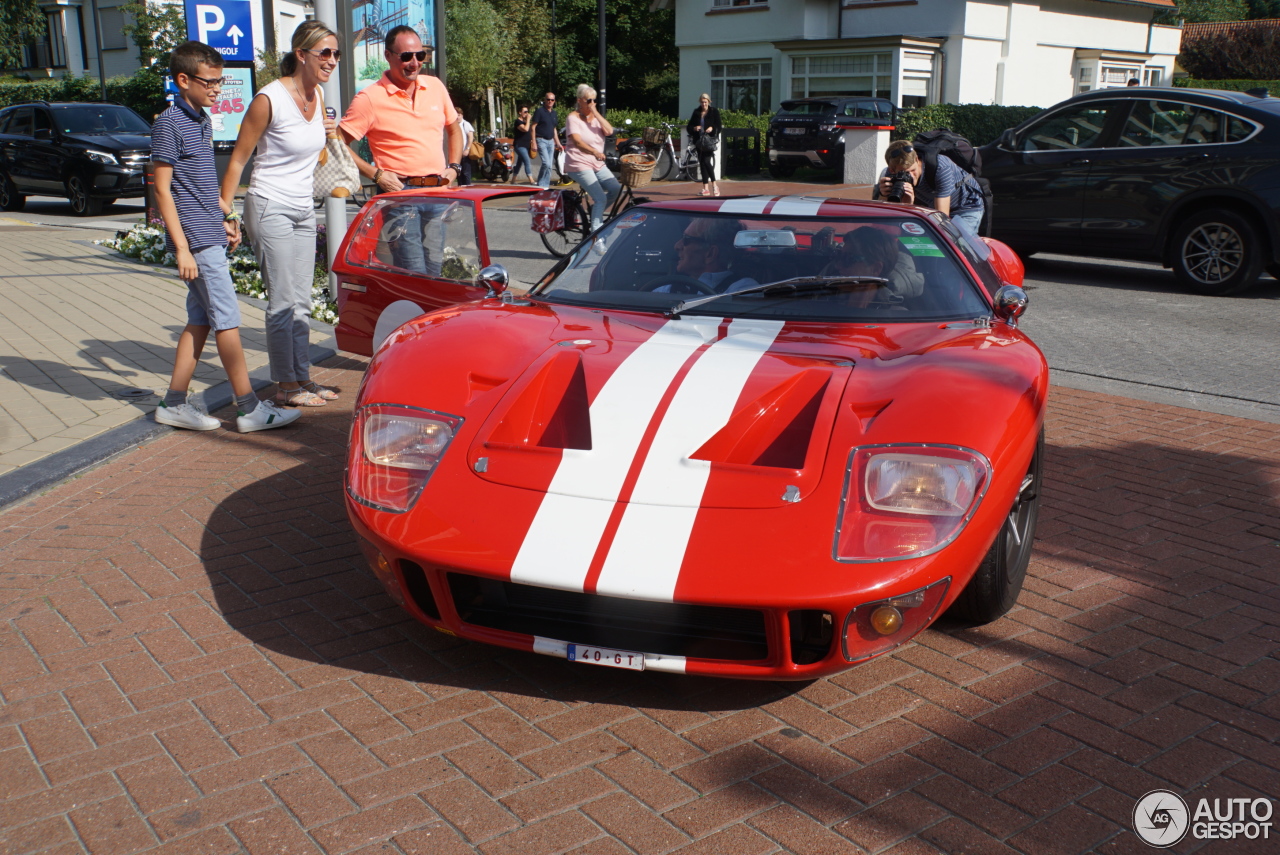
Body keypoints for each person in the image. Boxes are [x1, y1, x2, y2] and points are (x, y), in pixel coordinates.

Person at [151, 41, 300, 433]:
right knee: (227, 320)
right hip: (195, 242)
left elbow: (197, 185)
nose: (218, 89)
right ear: (184, 80)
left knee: (199, 321)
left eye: (221, 81)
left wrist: (225, 216)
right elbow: (163, 190)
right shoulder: (169, 124)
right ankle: (249, 408)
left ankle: (174, 403)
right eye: (211, 82)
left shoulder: (199, 119)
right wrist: (183, 248)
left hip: (206, 233)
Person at [220, 21, 339, 409]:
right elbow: (238, 161)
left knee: (302, 300)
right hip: (270, 204)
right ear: (301, 54)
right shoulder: (268, 99)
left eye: (336, 53)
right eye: (325, 53)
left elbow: (313, 152)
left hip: (304, 207)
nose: (332, 60)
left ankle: (302, 376)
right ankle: (285, 386)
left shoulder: (317, 94)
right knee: (282, 300)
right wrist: (227, 212)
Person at [339, 25, 463, 275]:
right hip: (401, 195)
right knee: (413, 271)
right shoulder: (370, 98)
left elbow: (454, 128)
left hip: (438, 191)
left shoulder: (435, 86)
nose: (414, 62)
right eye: (406, 56)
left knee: (435, 271)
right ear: (388, 56)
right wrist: (375, 174)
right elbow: (337, 143)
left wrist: (454, 167)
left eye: (420, 55)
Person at [876, 140, 985, 236]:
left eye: (913, 170)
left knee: (956, 241)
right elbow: (886, 218)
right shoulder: (890, 175)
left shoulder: (941, 167)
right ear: (892, 170)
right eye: (904, 173)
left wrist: (911, 208)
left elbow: (941, 221)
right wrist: (884, 195)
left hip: (966, 206)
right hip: (931, 206)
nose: (910, 176)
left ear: (917, 159)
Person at [565, 84, 621, 232]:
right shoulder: (573, 118)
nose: (591, 103)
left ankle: (596, 215)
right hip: (579, 163)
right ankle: (596, 234)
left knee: (615, 189)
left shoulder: (596, 117)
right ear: (580, 100)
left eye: (594, 100)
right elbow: (577, 142)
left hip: (596, 164)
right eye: (588, 100)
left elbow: (609, 131)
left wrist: (595, 111)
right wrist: (595, 152)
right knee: (600, 198)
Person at [655, 217, 759, 293]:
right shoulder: (670, 287)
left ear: (710, 254)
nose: (677, 246)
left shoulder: (743, 289)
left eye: (686, 240)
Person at [830, 227, 924, 306]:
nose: (838, 265)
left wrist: (856, 310)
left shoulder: (896, 315)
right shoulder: (829, 280)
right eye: (839, 255)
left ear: (875, 269)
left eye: (848, 259)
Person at [686, 93, 721, 197]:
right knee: (702, 163)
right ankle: (705, 188)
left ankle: (714, 185)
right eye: (702, 102)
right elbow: (689, 126)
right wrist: (694, 128)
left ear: (709, 102)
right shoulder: (696, 112)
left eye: (705, 102)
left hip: (709, 141)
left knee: (707, 161)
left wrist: (712, 128)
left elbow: (719, 126)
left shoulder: (714, 112)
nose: (704, 104)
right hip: (699, 141)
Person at [532, 92, 562, 189]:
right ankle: (541, 184)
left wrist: (558, 143)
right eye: (548, 99)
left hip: (551, 142)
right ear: (545, 100)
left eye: (552, 100)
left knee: (549, 165)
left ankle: (545, 185)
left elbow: (554, 129)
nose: (550, 101)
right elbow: (533, 127)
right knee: (546, 163)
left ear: (554, 101)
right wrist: (534, 142)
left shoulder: (554, 113)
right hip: (541, 140)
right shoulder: (539, 111)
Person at [512, 105, 535, 184]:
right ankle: (531, 180)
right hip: (520, 145)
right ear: (520, 112)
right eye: (525, 112)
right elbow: (525, 129)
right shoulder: (518, 122)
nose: (526, 113)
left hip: (526, 145)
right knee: (527, 161)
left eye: (527, 112)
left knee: (519, 163)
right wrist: (528, 120)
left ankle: (513, 179)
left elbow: (530, 131)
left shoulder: (526, 122)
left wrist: (532, 140)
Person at [458, 115, 474, 185]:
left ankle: (467, 190)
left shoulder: (465, 124)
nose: (457, 117)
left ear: (462, 115)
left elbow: (471, 137)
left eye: (458, 115)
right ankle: (459, 190)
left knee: (466, 173)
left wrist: (467, 149)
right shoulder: (454, 125)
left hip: (465, 152)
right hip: (457, 153)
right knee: (459, 173)